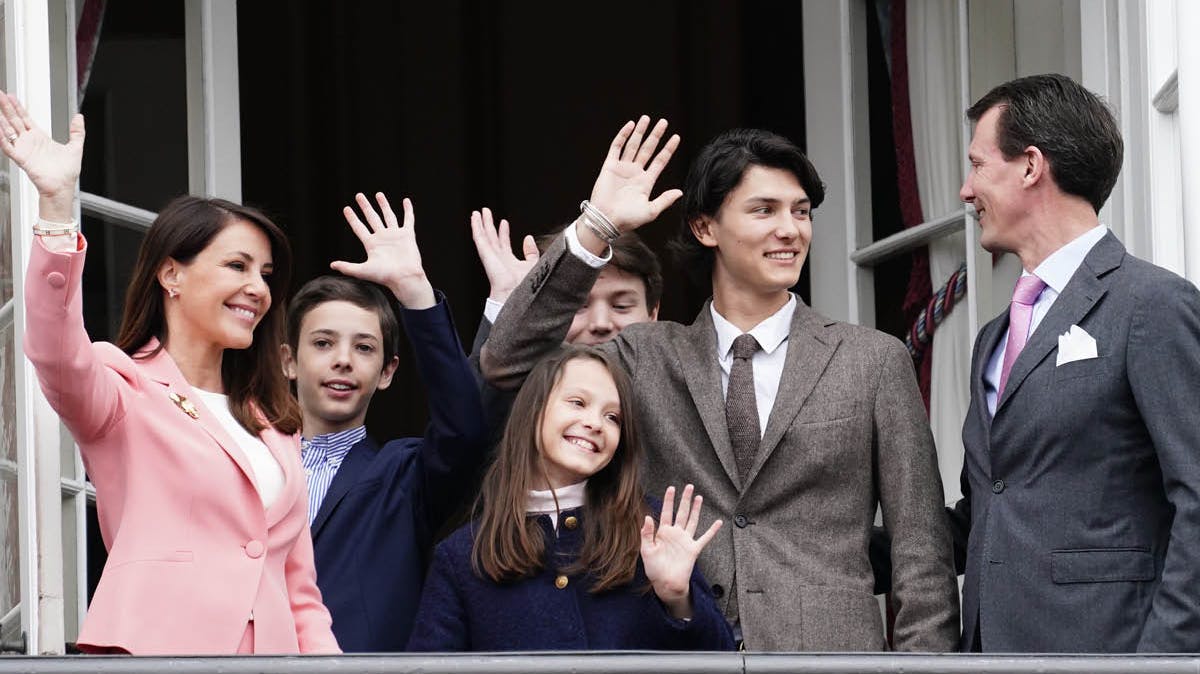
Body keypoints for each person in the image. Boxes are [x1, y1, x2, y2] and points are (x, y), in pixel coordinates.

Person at [481, 117, 959, 651]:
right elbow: (507, 361)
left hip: (830, 662)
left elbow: (922, 553)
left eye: (801, 211)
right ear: (705, 228)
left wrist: (921, 672)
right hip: (679, 652)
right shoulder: (645, 356)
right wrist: (598, 227)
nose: (791, 229)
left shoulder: (872, 360)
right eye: (764, 210)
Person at [0, 91, 338, 654]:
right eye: (237, 266)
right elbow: (55, 350)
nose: (257, 288)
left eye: (265, 274)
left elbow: (301, 593)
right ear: (171, 275)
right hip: (155, 655)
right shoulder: (123, 387)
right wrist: (56, 208)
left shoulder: (276, 423)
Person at [951, 73, 1200, 652]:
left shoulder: (1152, 305)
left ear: (1030, 166)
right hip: (989, 658)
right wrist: (825, 547)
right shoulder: (993, 338)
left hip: (1108, 656)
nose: (966, 190)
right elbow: (990, 510)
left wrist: (1161, 663)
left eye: (978, 165)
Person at [407, 346, 734, 651]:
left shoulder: (651, 527)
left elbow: (722, 660)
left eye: (613, 417)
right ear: (533, 411)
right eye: (577, 403)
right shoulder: (463, 554)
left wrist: (678, 599)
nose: (595, 423)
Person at [280, 192, 489, 651]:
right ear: (288, 361)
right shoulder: (248, 461)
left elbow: (464, 428)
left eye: (364, 347)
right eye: (323, 343)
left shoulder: (403, 476)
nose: (343, 360)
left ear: (388, 371)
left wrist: (414, 291)